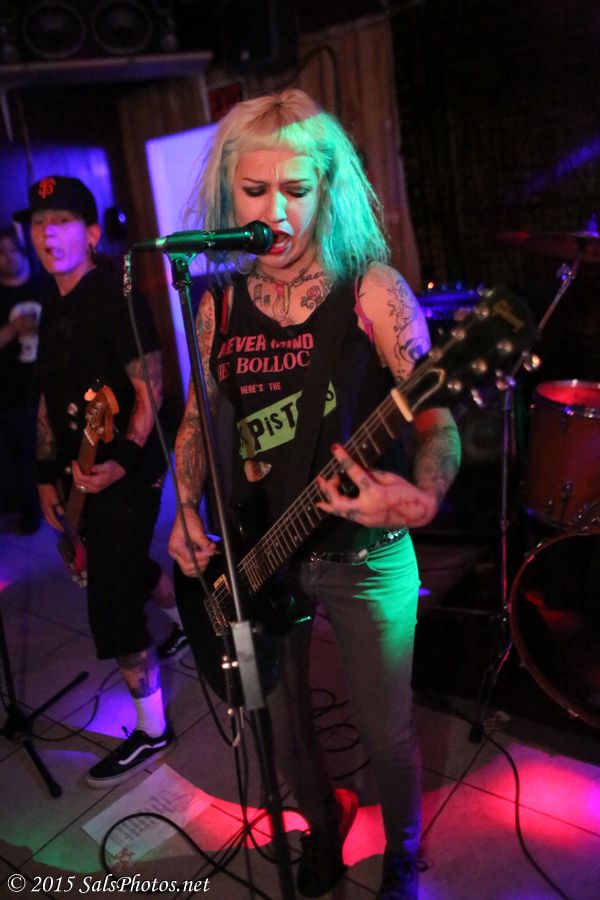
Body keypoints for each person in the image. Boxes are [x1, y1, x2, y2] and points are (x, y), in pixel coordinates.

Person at [168, 90, 461, 899]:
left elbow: (438, 420)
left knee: (385, 731)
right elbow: (196, 421)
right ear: (228, 193)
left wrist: (424, 497)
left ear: (328, 190)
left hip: (366, 555)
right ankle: (322, 834)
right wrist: (185, 510)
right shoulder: (218, 303)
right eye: (255, 190)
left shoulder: (372, 291)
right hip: (260, 553)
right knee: (283, 729)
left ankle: (403, 856)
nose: (276, 213)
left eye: (297, 190)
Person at [14, 175, 187, 787]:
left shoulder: (116, 296)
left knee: (109, 599)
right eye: (39, 224)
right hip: (79, 472)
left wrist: (129, 460)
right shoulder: (50, 303)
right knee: (126, 566)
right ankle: (189, 622)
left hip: (129, 467)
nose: (47, 234)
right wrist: (44, 475)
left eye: (61, 222)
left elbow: (151, 389)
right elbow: (46, 399)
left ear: (90, 234)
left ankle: (152, 728)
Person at [0, 226, 49, 533]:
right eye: (1, 253)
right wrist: (13, 328)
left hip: (48, 382)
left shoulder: (44, 286)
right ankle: (28, 510)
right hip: (11, 391)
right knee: (18, 454)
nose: (9, 258)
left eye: (12, 250)